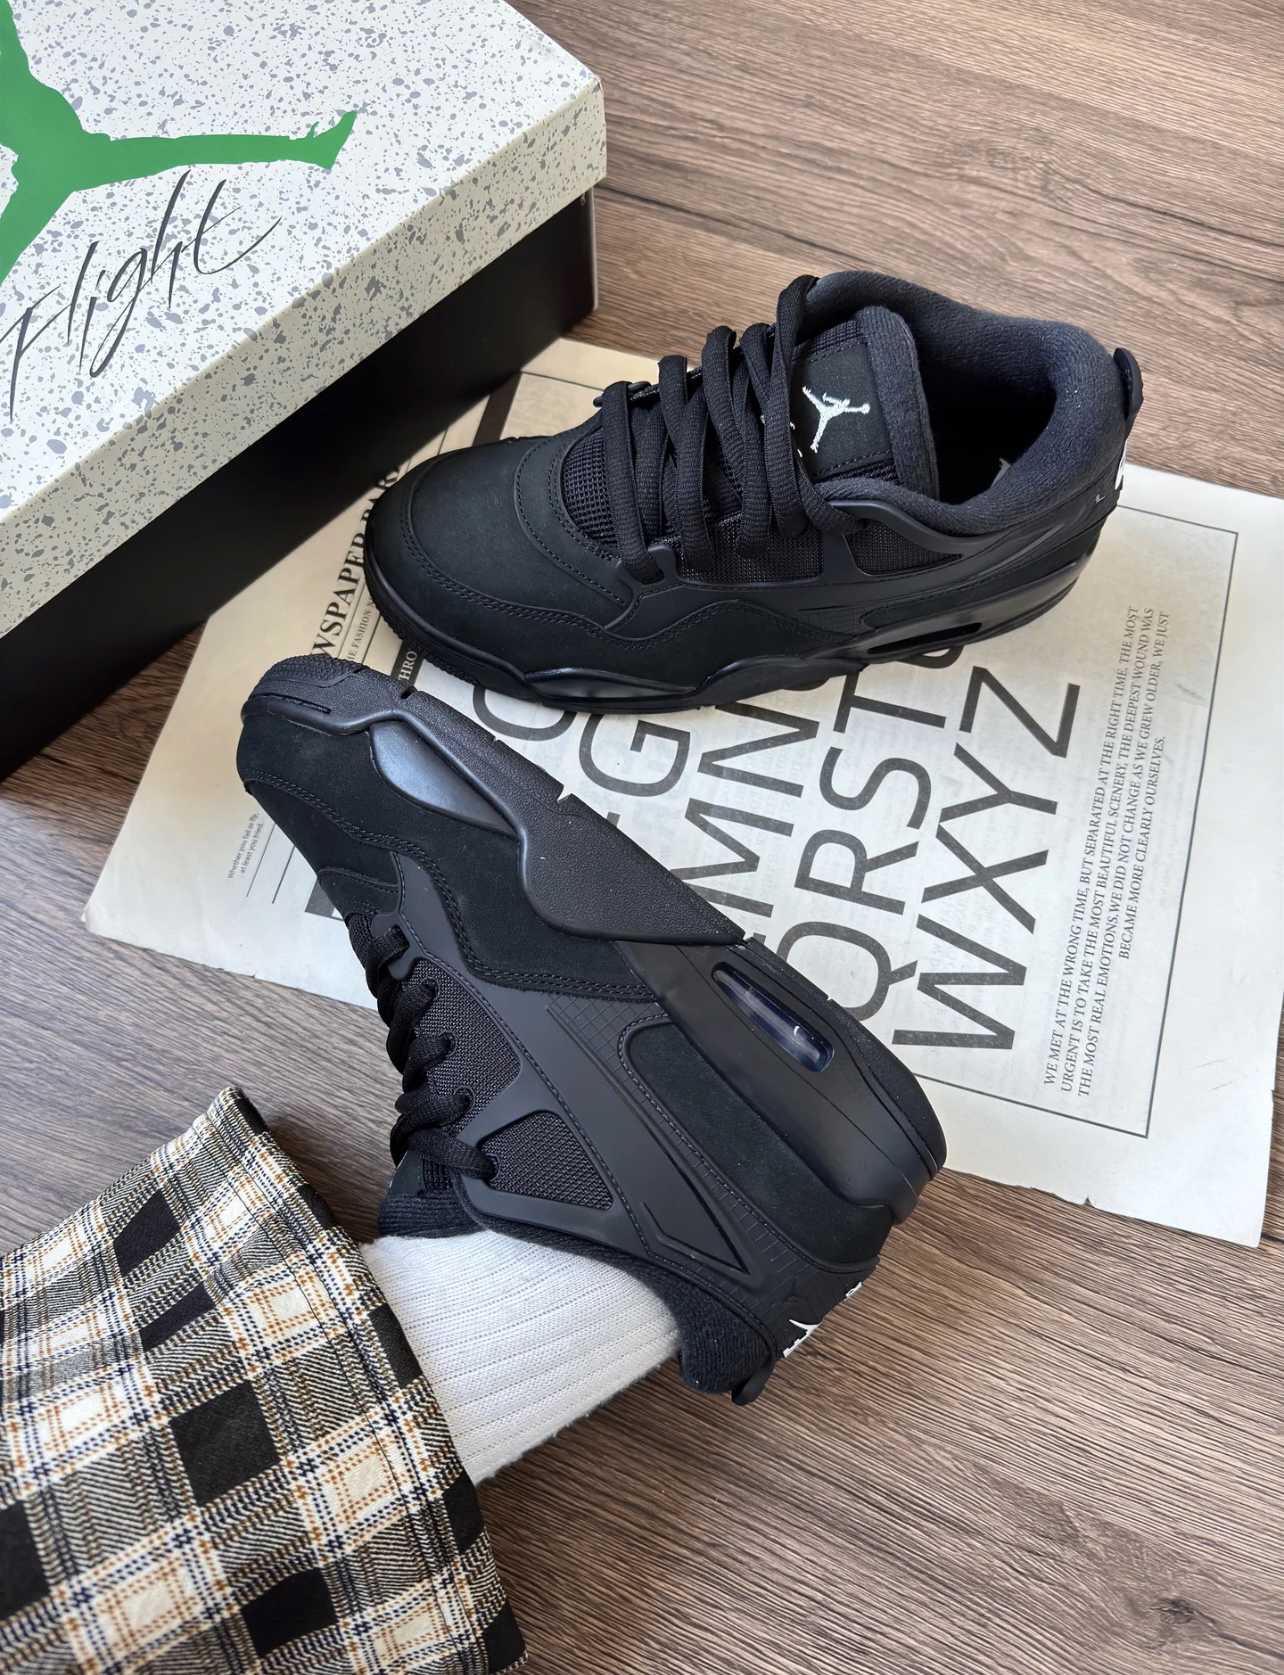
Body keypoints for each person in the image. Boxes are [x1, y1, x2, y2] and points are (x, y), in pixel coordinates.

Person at [0, 0, 355, 288]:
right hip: (63, 168)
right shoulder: (13, 80)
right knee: (182, 149)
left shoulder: (13, 74)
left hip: (70, 165)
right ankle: (303, 150)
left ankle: (304, 150)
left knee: (182, 150)